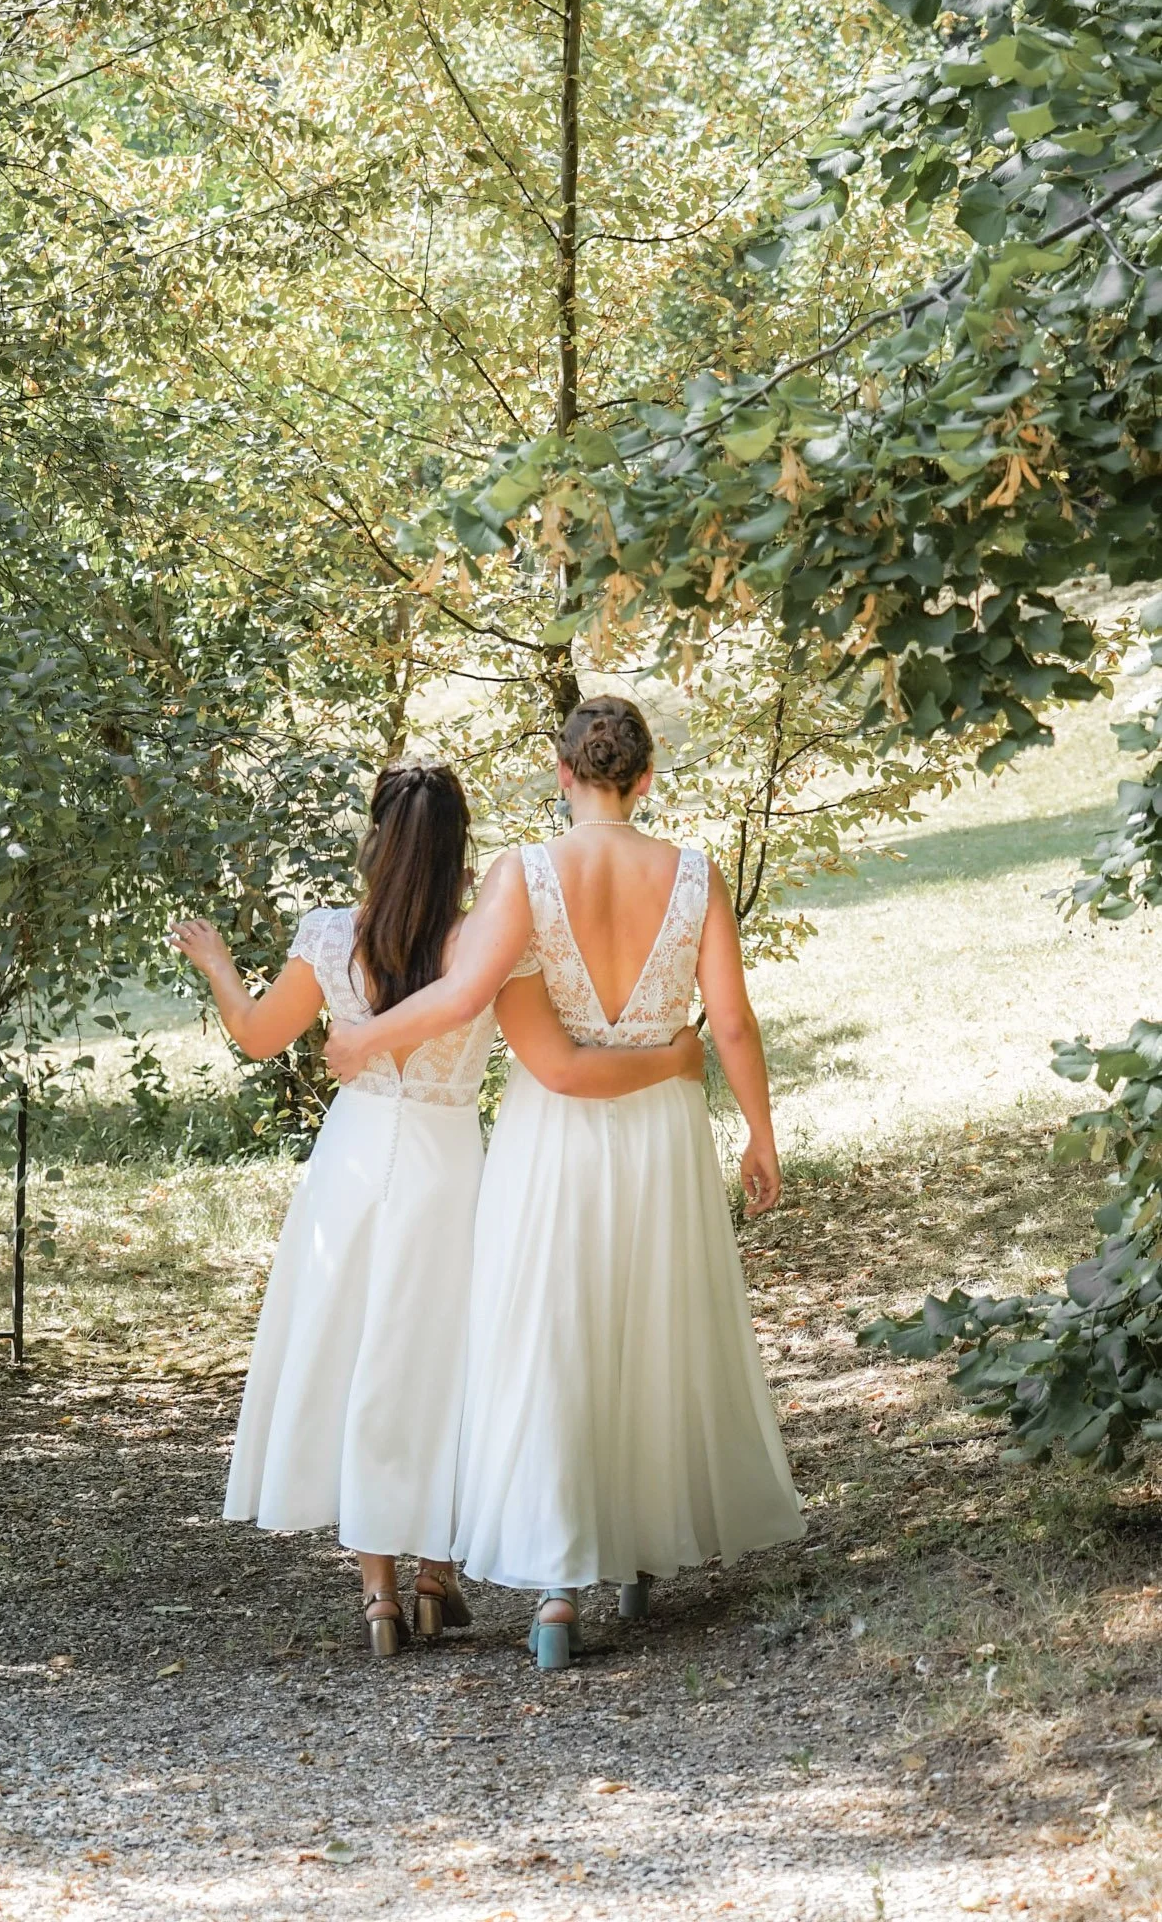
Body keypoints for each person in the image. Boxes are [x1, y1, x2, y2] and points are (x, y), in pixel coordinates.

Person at [170, 761, 704, 1658]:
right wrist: (668, 1056)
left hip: (352, 1163)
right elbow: (557, 1065)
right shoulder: (488, 949)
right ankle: (434, 1571)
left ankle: (377, 1595)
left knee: (357, 1357)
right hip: (451, 1165)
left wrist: (219, 964)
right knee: (452, 1363)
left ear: (375, 841)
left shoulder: (330, 937)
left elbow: (259, 1036)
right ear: (463, 852)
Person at [325, 701, 806, 1669]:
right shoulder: (695, 872)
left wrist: (361, 1037)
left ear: (560, 771)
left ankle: (555, 1586)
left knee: (552, 1329)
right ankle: (634, 1550)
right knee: (649, 1322)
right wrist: (759, 1131)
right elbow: (734, 1021)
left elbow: (462, 996)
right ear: (647, 772)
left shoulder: (524, 871)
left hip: (554, 1133)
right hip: (664, 1121)